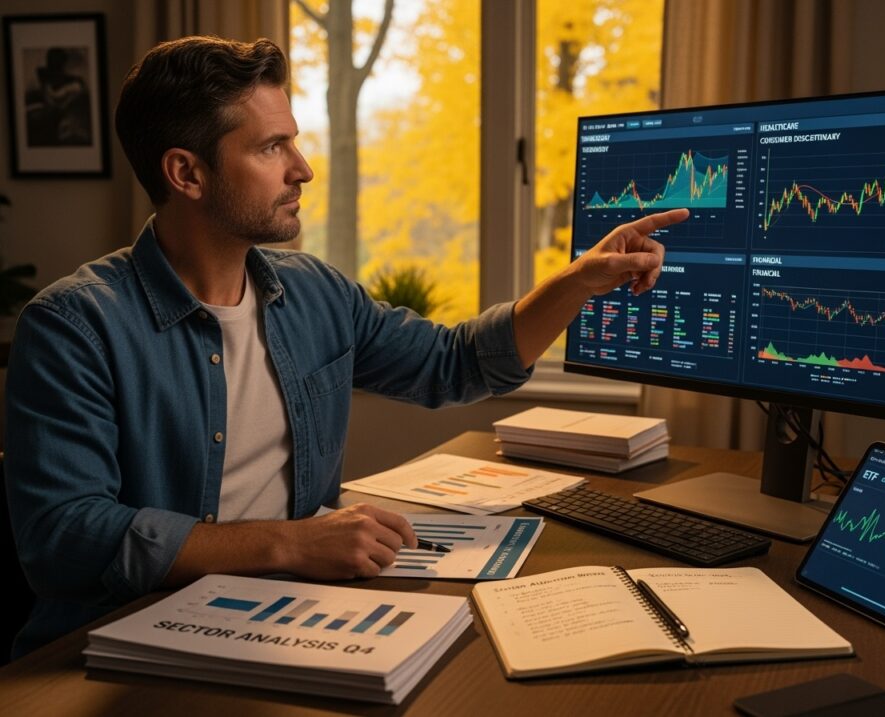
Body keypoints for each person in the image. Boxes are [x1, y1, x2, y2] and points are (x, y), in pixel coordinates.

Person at [3, 36, 688, 659]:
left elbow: (453, 364)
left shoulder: (314, 293)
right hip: (108, 650)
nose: (302, 168)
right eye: (271, 148)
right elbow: (66, 539)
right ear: (187, 173)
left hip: (283, 617)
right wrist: (290, 542)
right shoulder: (74, 326)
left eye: (294, 143)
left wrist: (578, 281)